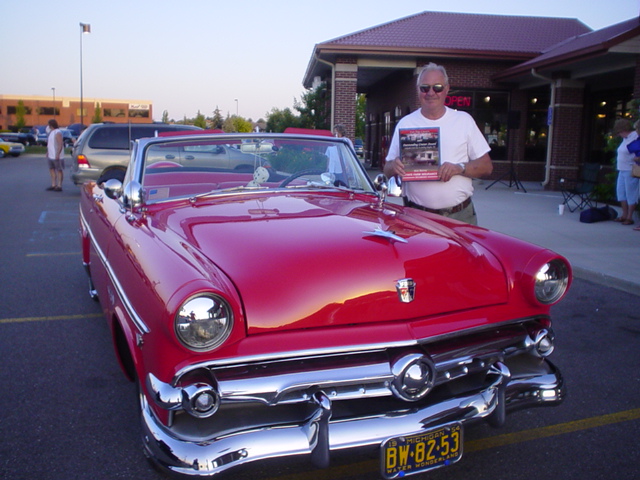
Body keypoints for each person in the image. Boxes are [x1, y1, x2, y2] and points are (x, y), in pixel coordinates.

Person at [384, 62, 493, 225]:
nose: (431, 93)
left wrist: (459, 168)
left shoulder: (463, 120)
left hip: (459, 216)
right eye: (425, 88)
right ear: (418, 90)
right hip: (417, 216)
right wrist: (394, 166)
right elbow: (386, 169)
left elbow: (487, 167)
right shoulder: (405, 123)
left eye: (437, 87)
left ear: (447, 89)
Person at [612, 118, 638, 226]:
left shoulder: (635, 136)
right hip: (621, 169)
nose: (619, 135)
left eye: (619, 132)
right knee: (621, 192)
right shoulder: (625, 139)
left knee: (631, 193)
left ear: (623, 130)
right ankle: (624, 214)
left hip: (630, 169)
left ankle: (630, 217)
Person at [45, 119, 65, 192]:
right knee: (51, 169)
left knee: (59, 170)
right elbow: (50, 144)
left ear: (51, 125)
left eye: (49, 125)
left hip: (57, 156)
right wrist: (48, 152)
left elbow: (60, 144)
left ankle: (59, 185)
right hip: (51, 155)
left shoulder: (58, 132)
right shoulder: (51, 133)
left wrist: (57, 154)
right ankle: (53, 184)